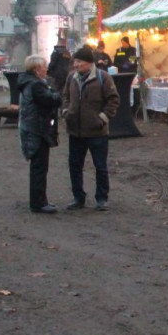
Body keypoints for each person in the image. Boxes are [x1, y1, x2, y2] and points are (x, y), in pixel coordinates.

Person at [62, 46, 120, 211]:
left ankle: (102, 198)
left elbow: (114, 100)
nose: (75, 65)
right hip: (75, 131)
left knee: (100, 166)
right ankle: (78, 197)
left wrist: (103, 118)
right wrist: (66, 111)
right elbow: (65, 96)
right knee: (75, 166)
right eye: (75, 61)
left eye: (79, 61)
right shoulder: (71, 78)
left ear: (88, 63)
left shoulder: (104, 78)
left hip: (97, 132)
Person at [18, 55, 62, 214]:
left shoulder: (30, 83)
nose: (47, 69)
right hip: (37, 131)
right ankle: (38, 203)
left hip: (33, 130)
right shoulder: (36, 85)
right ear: (37, 69)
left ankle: (39, 200)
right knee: (39, 168)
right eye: (44, 66)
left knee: (39, 168)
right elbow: (51, 100)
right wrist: (58, 95)